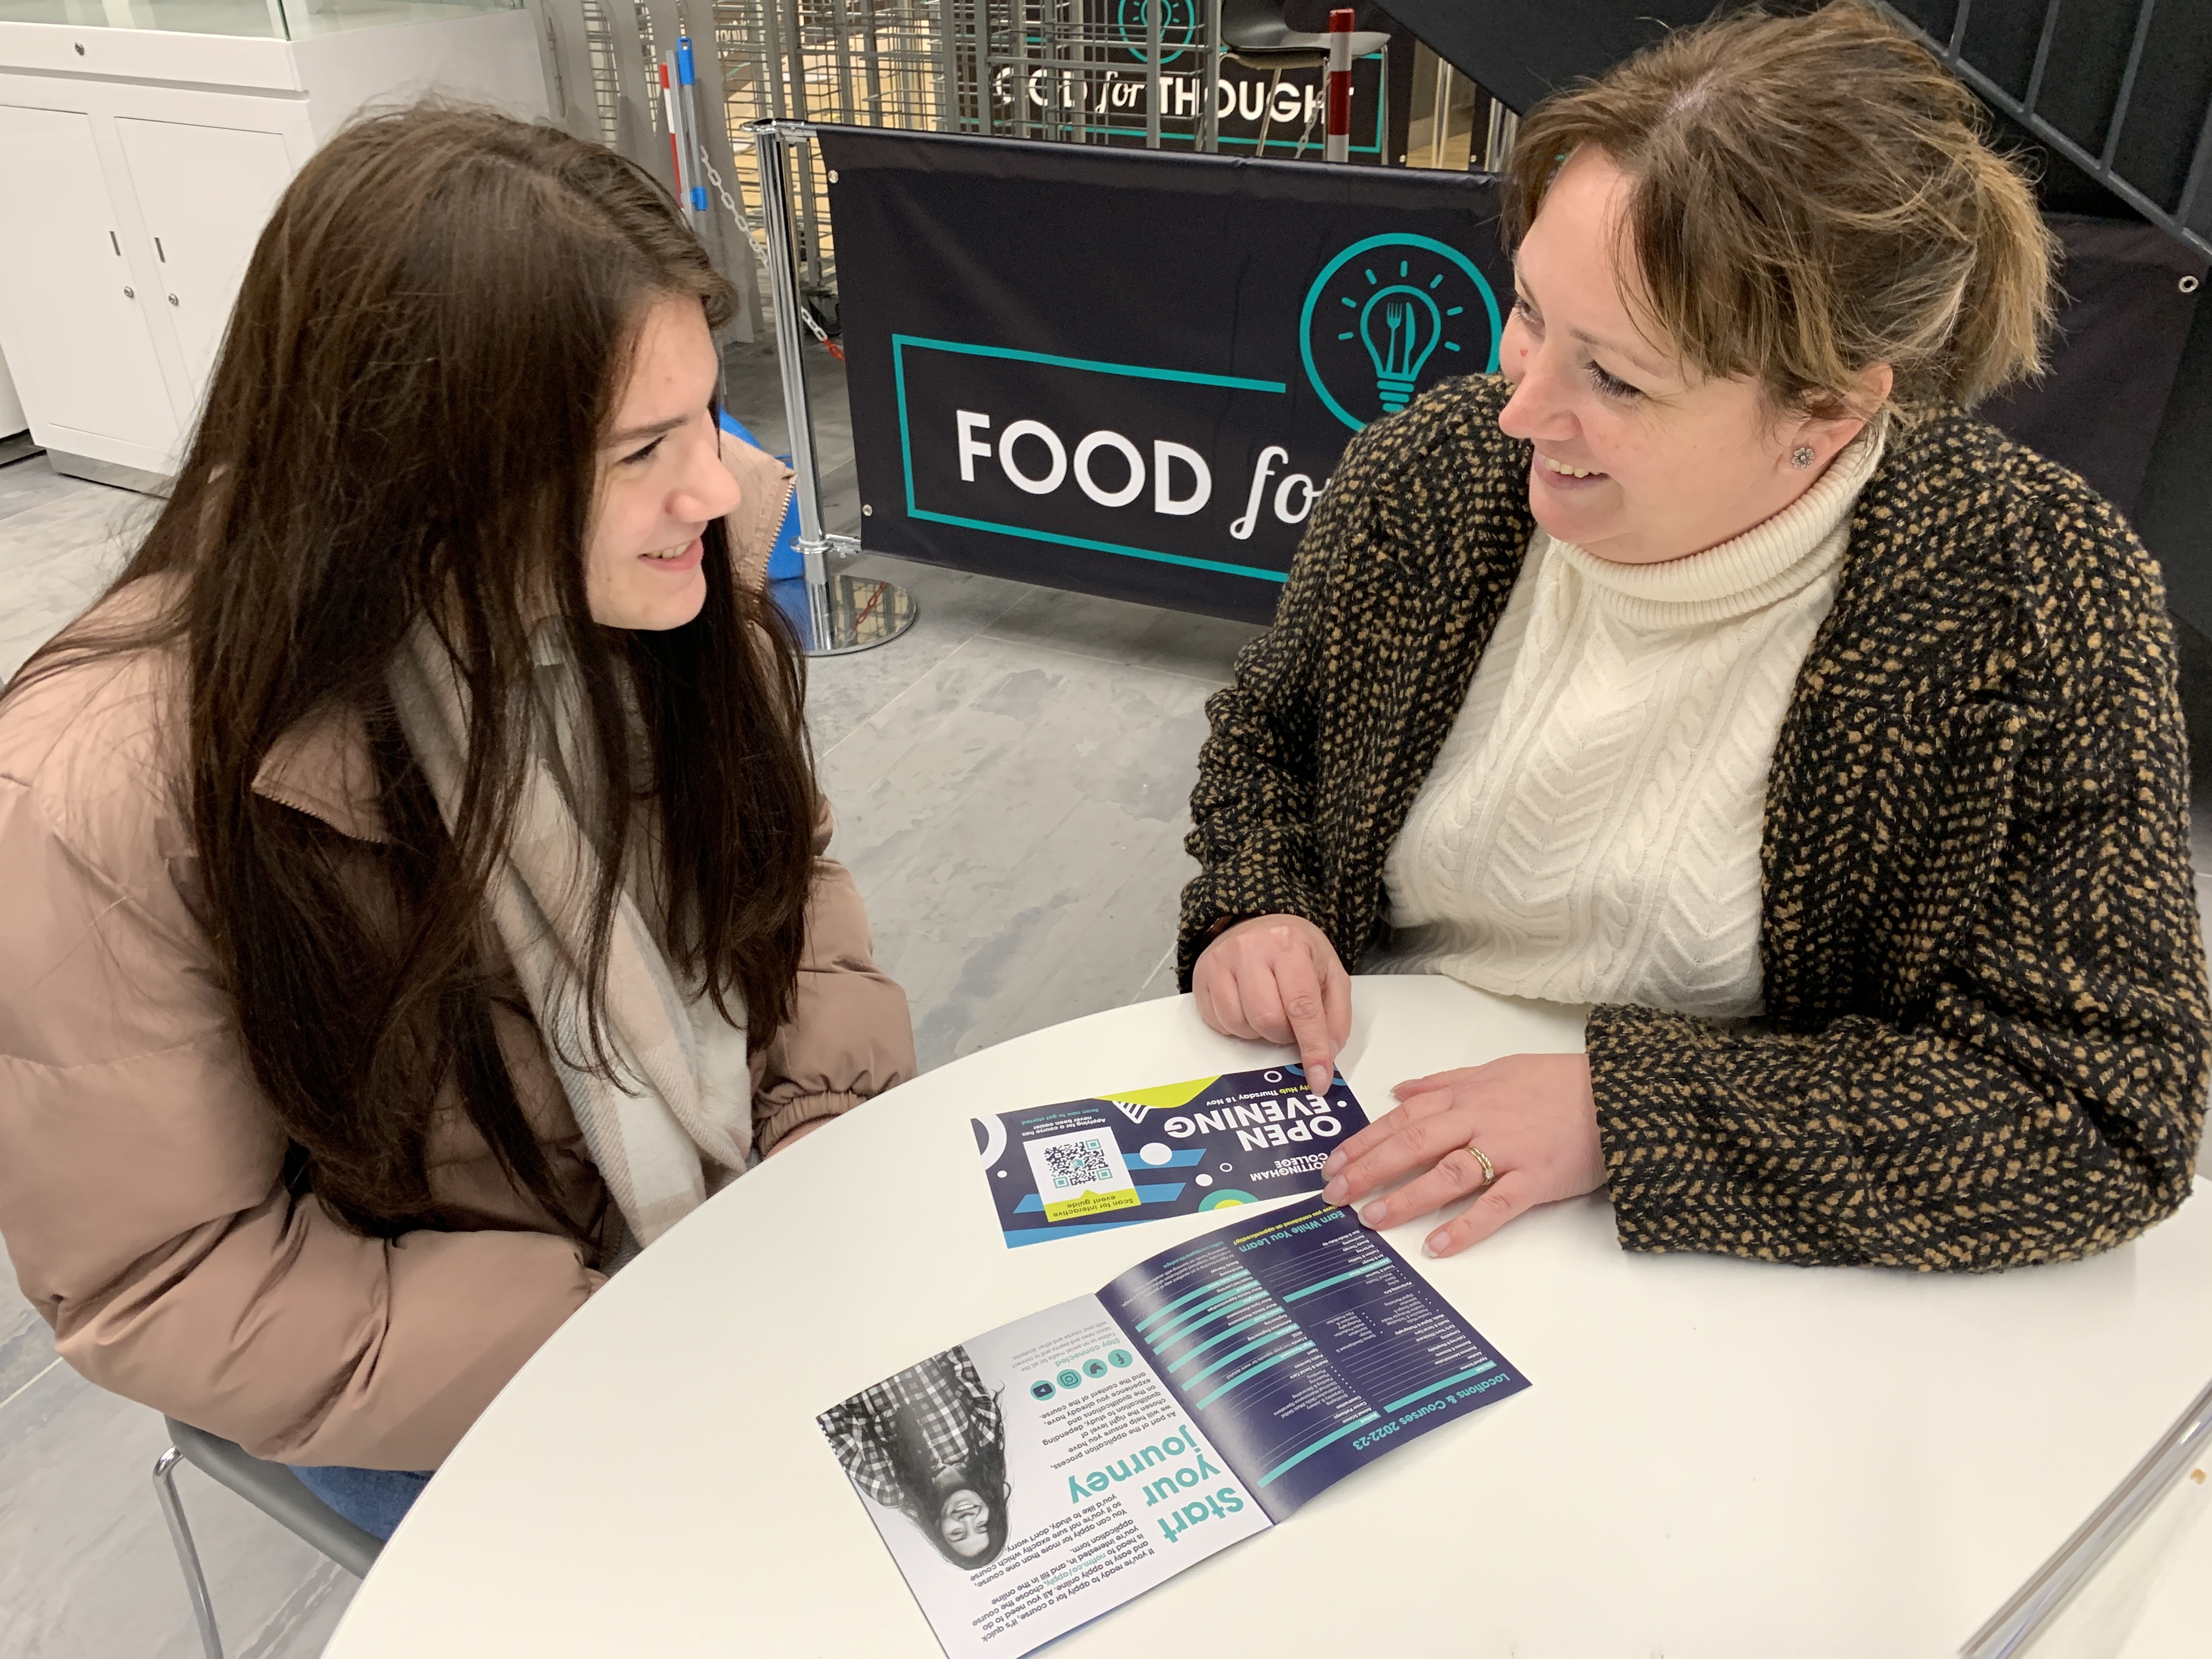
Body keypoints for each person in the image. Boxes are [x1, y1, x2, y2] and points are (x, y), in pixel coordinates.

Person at [0, 106, 915, 1538]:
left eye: (708, 417)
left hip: (721, 1241)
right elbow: (169, 1277)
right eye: (638, 449)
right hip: (435, 1365)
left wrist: (813, 1121)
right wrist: (612, 1331)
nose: (714, 489)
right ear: (414, 479)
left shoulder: (671, 578)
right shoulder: (106, 789)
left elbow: (785, 885)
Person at [1180, 2, 2210, 1271]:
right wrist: (1259, 905)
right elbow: (1271, 733)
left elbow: (2105, 1111)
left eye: (1615, 379)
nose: (1520, 408)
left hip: (1720, 1265)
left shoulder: (2033, 595)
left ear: (1825, 413)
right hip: (1374, 1152)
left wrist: (1628, 1114)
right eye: (1530, 315)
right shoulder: (1430, 477)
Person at [819, 1345, 1012, 1570]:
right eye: (982, 1525)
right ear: (995, 1512)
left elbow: (830, 1420)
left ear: (939, 1527)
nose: (968, 1519)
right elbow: (954, 1358)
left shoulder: (890, 1489)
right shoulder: (985, 1444)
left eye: (957, 1533)